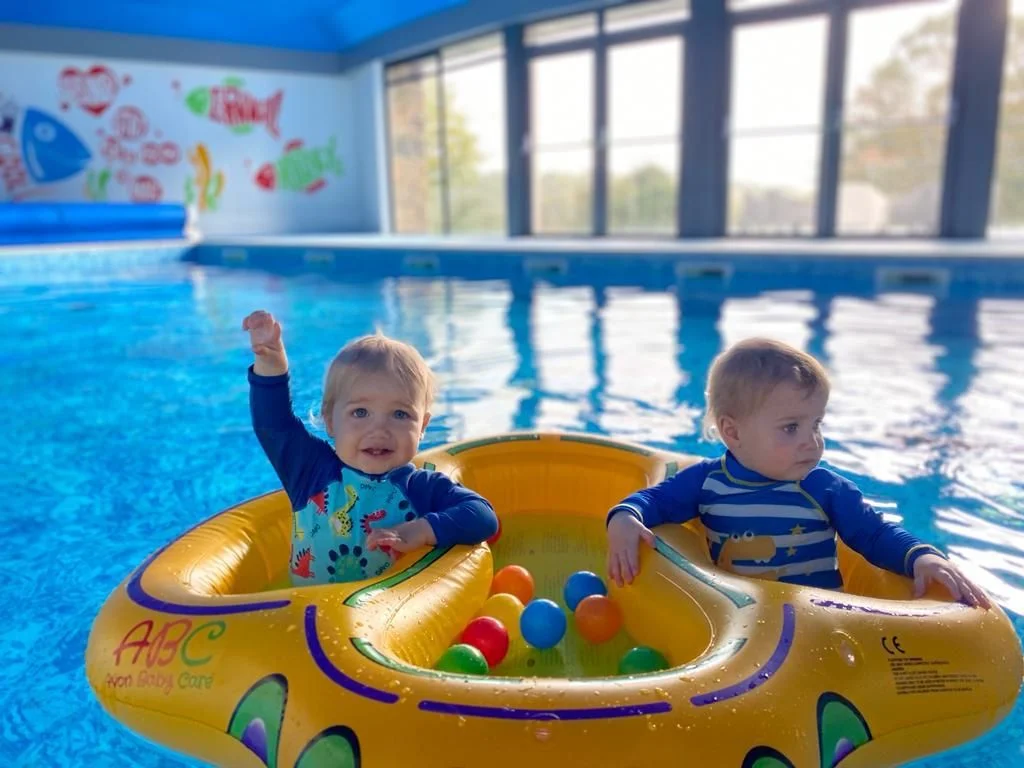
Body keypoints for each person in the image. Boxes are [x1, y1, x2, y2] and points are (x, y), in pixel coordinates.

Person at [605, 337, 989, 608]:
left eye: (816, 424)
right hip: (748, 627)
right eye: (791, 428)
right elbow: (655, 499)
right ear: (733, 432)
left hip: (822, 621)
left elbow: (874, 533)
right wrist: (625, 516)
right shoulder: (708, 483)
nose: (812, 442)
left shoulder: (823, 488)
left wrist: (921, 556)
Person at [243, 310, 498, 586]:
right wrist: (271, 363)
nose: (379, 430)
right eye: (361, 412)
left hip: (384, 622)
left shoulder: (420, 488)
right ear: (330, 420)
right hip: (309, 617)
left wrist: (422, 530)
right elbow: (274, 424)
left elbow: (483, 516)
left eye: (400, 414)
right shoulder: (309, 472)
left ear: (422, 425)